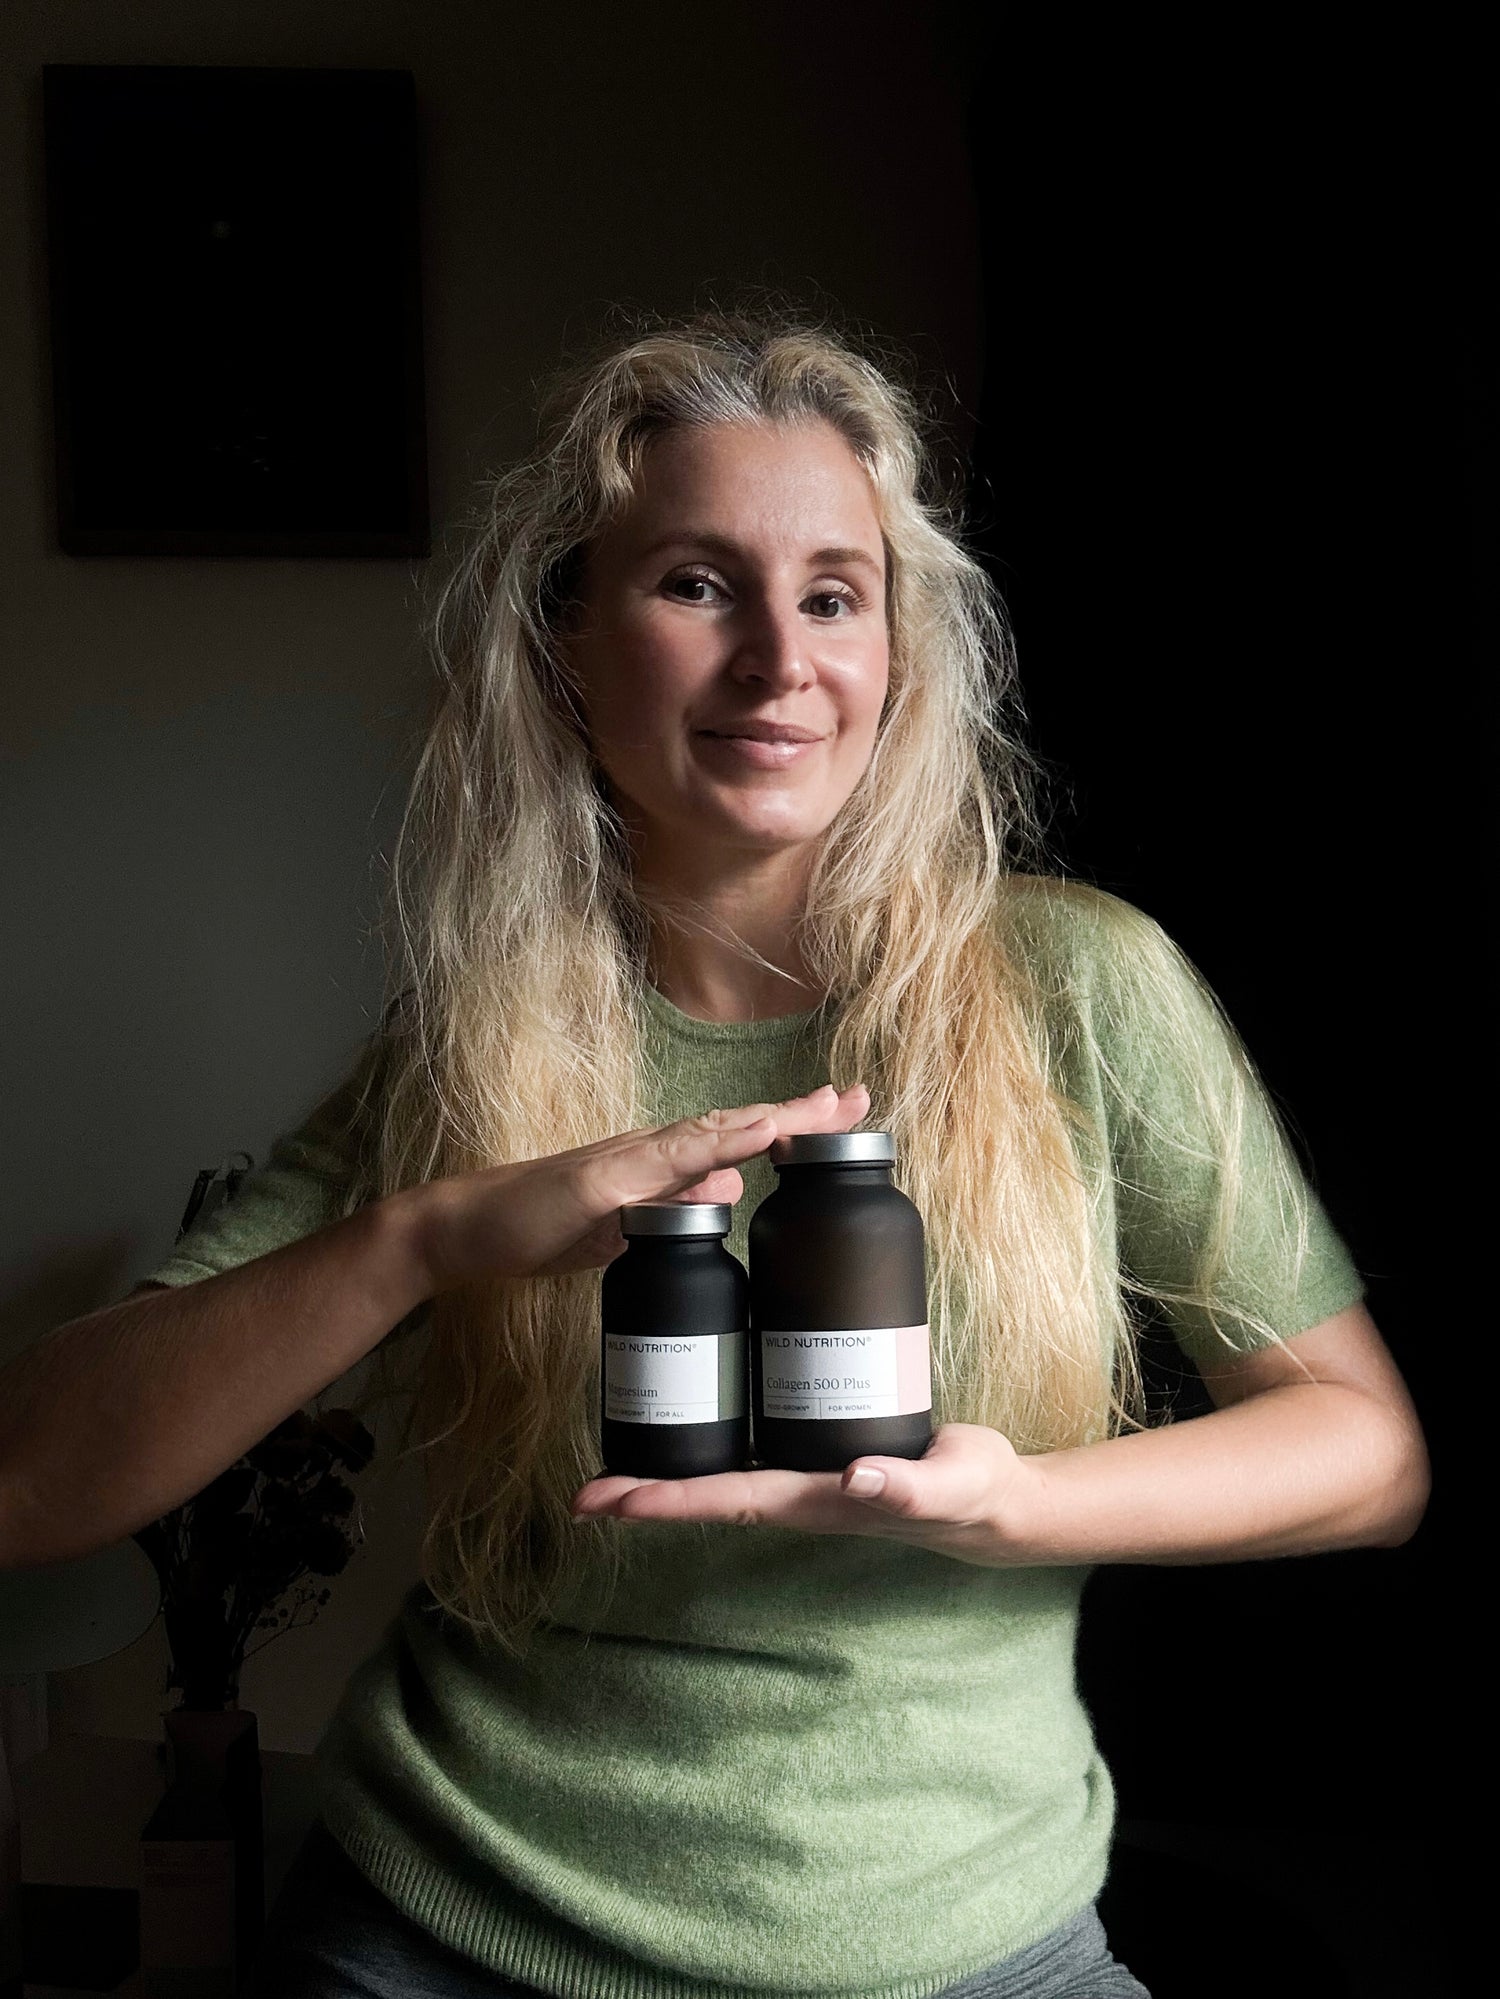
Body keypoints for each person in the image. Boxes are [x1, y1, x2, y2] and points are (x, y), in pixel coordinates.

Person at [0, 311, 1429, 1999]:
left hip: (974, 1950)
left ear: (896, 652)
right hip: (441, 1934)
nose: (778, 662)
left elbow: (1366, 1455)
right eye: (696, 585)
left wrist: (1021, 1507)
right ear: (567, 643)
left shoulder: (1081, 985)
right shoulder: (478, 1041)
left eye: (833, 595)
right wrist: (421, 1239)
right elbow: (33, 1486)